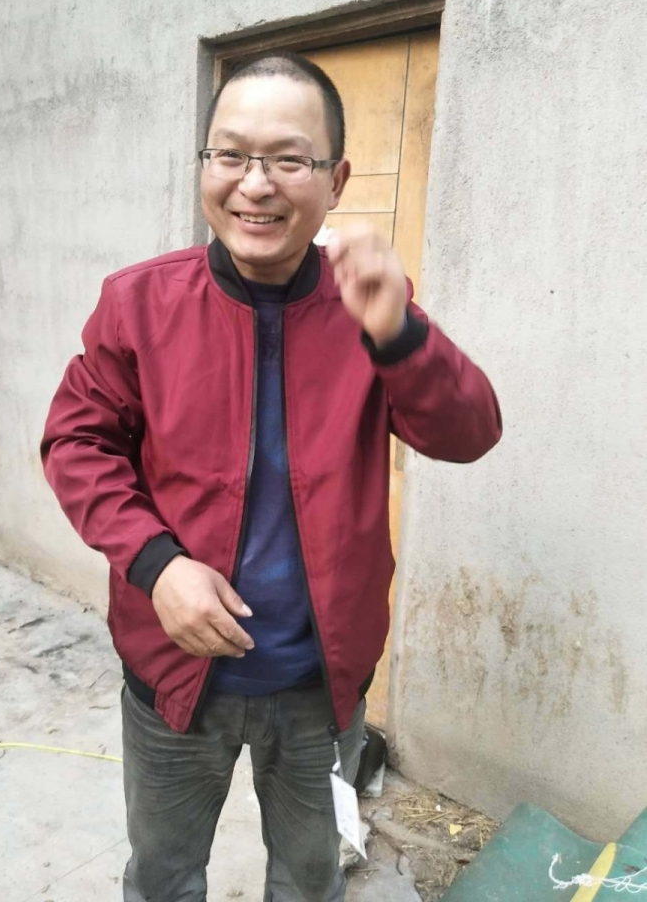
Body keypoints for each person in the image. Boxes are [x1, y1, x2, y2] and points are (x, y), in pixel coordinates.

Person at [41, 51, 502, 902]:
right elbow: (77, 442)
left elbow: (469, 432)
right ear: (205, 165)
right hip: (175, 673)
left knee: (310, 879)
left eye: (288, 159)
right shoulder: (139, 304)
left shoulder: (367, 308)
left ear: (335, 179)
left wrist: (400, 333)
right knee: (163, 876)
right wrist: (158, 566)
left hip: (318, 686)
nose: (255, 185)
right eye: (231, 155)